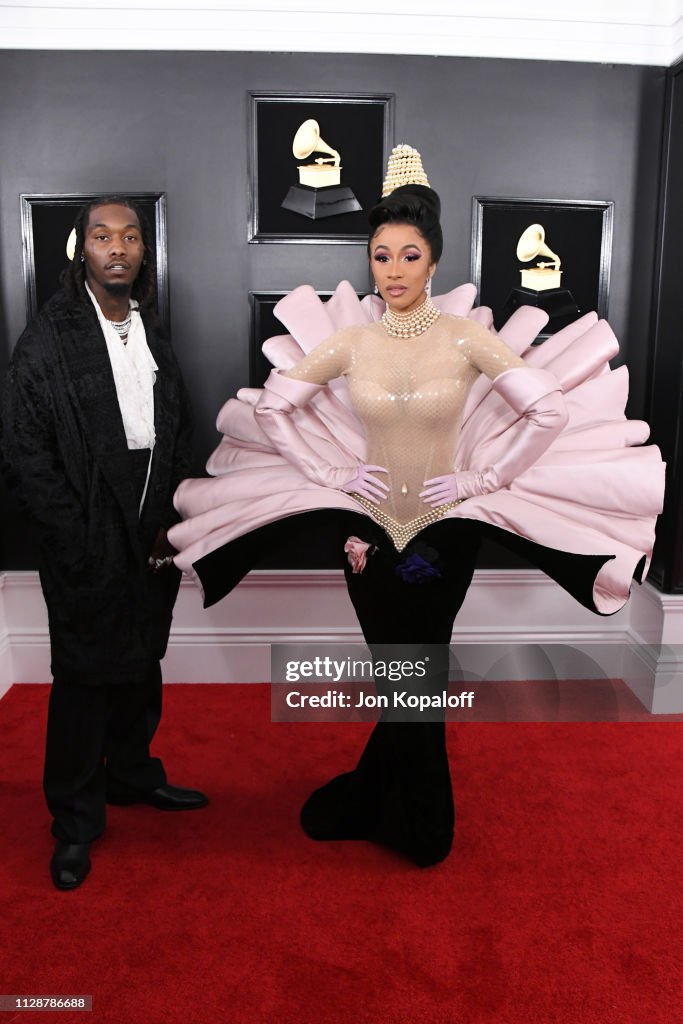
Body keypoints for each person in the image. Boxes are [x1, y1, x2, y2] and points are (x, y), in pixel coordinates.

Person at [168, 147, 664, 867]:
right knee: (403, 674)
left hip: (439, 542)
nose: (393, 270)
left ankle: (428, 830)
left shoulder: (466, 338)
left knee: (415, 674)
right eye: (380, 256)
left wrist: (481, 478)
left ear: (431, 262)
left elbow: (547, 413)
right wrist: (326, 470)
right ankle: (380, 798)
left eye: (407, 255)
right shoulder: (350, 342)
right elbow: (276, 411)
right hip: (367, 540)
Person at [1, 196, 208, 891]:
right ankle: (75, 822)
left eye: (129, 237)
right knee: (85, 682)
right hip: (84, 537)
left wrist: (169, 521)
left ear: (142, 253)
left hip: (150, 531)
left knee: (141, 661)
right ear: (80, 251)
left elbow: (178, 430)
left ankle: (132, 776)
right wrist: (75, 539)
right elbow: (24, 455)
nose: (116, 247)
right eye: (101, 236)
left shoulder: (152, 330)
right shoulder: (47, 340)